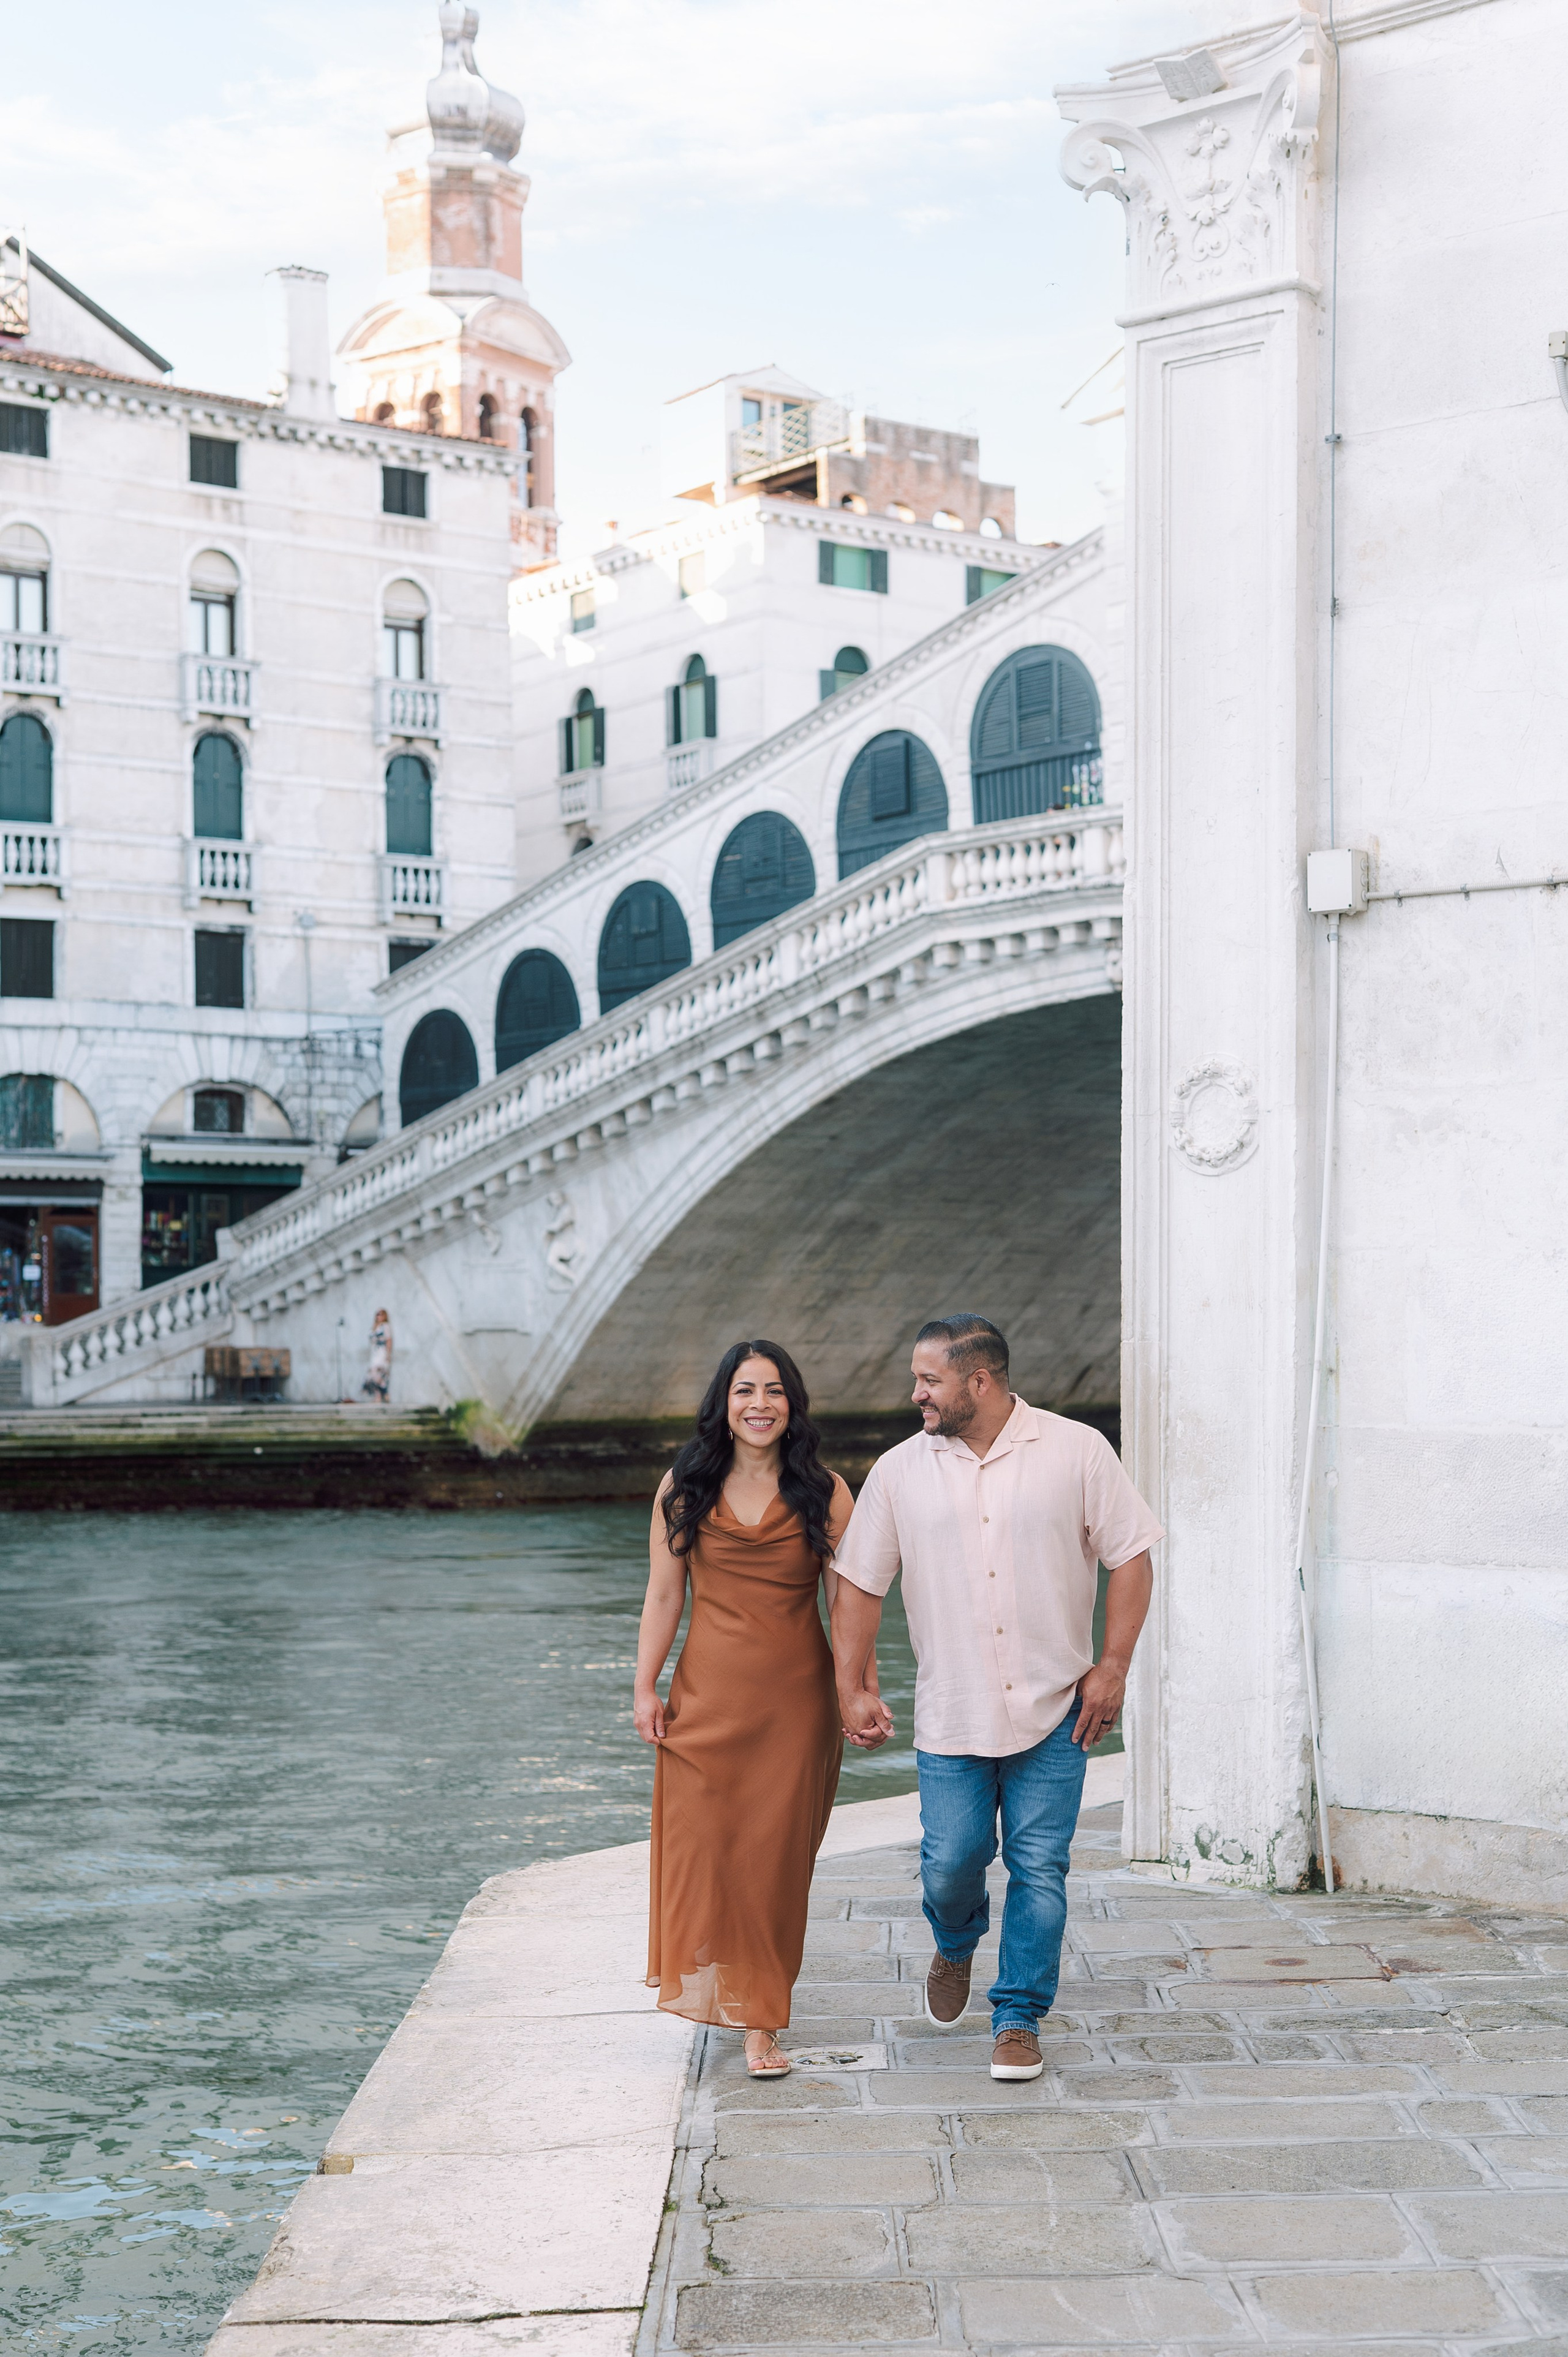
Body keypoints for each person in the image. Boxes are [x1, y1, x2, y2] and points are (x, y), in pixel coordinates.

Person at [831, 1313, 1161, 2083]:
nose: (916, 1393)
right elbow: (857, 1585)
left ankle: (1017, 2016)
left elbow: (1133, 1555)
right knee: (950, 1862)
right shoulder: (900, 1470)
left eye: (928, 1379)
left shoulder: (1076, 1449)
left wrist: (1112, 1665)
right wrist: (852, 1686)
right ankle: (954, 1940)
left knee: (1040, 1867)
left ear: (978, 1381)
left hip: (1058, 1707)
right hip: (952, 1711)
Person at [635, 1340, 864, 2078]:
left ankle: (760, 2022)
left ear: (792, 1403)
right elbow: (664, 1592)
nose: (759, 1403)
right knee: (704, 1851)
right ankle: (717, 1982)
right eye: (744, 1390)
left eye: (773, 1389)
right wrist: (646, 1685)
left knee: (772, 1863)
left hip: (794, 1705)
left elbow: (846, 1601)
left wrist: (857, 1688)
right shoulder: (684, 1485)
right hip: (703, 1701)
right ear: (723, 1404)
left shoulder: (825, 1491)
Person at [362, 1308, 393, 1402]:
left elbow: (389, 1340)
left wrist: (388, 1354)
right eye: (378, 1315)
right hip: (375, 1353)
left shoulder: (385, 1326)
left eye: (381, 1315)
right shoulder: (374, 1327)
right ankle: (380, 1396)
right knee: (373, 1375)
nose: (379, 1317)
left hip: (382, 1352)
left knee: (377, 1373)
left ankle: (384, 1394)